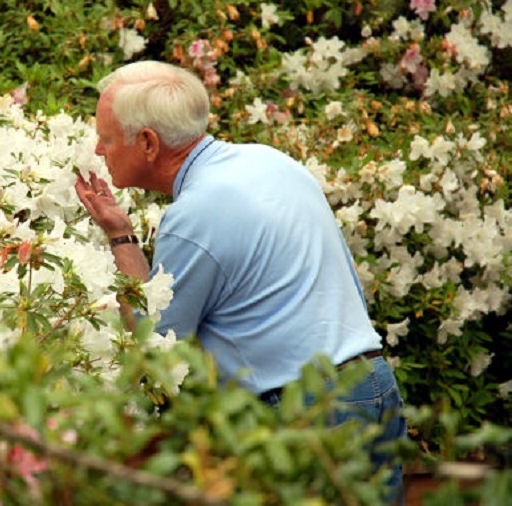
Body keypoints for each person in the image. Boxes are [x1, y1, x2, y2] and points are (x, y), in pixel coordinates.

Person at [74, 60, 407, 503]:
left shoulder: (194, 215)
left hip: (304, 413)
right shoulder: (271, 163)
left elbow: (154, 345)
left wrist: (120, 238)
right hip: (372, 383)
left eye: (108, 138)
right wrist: (122, 227)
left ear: (148, 143)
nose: (99, 150)